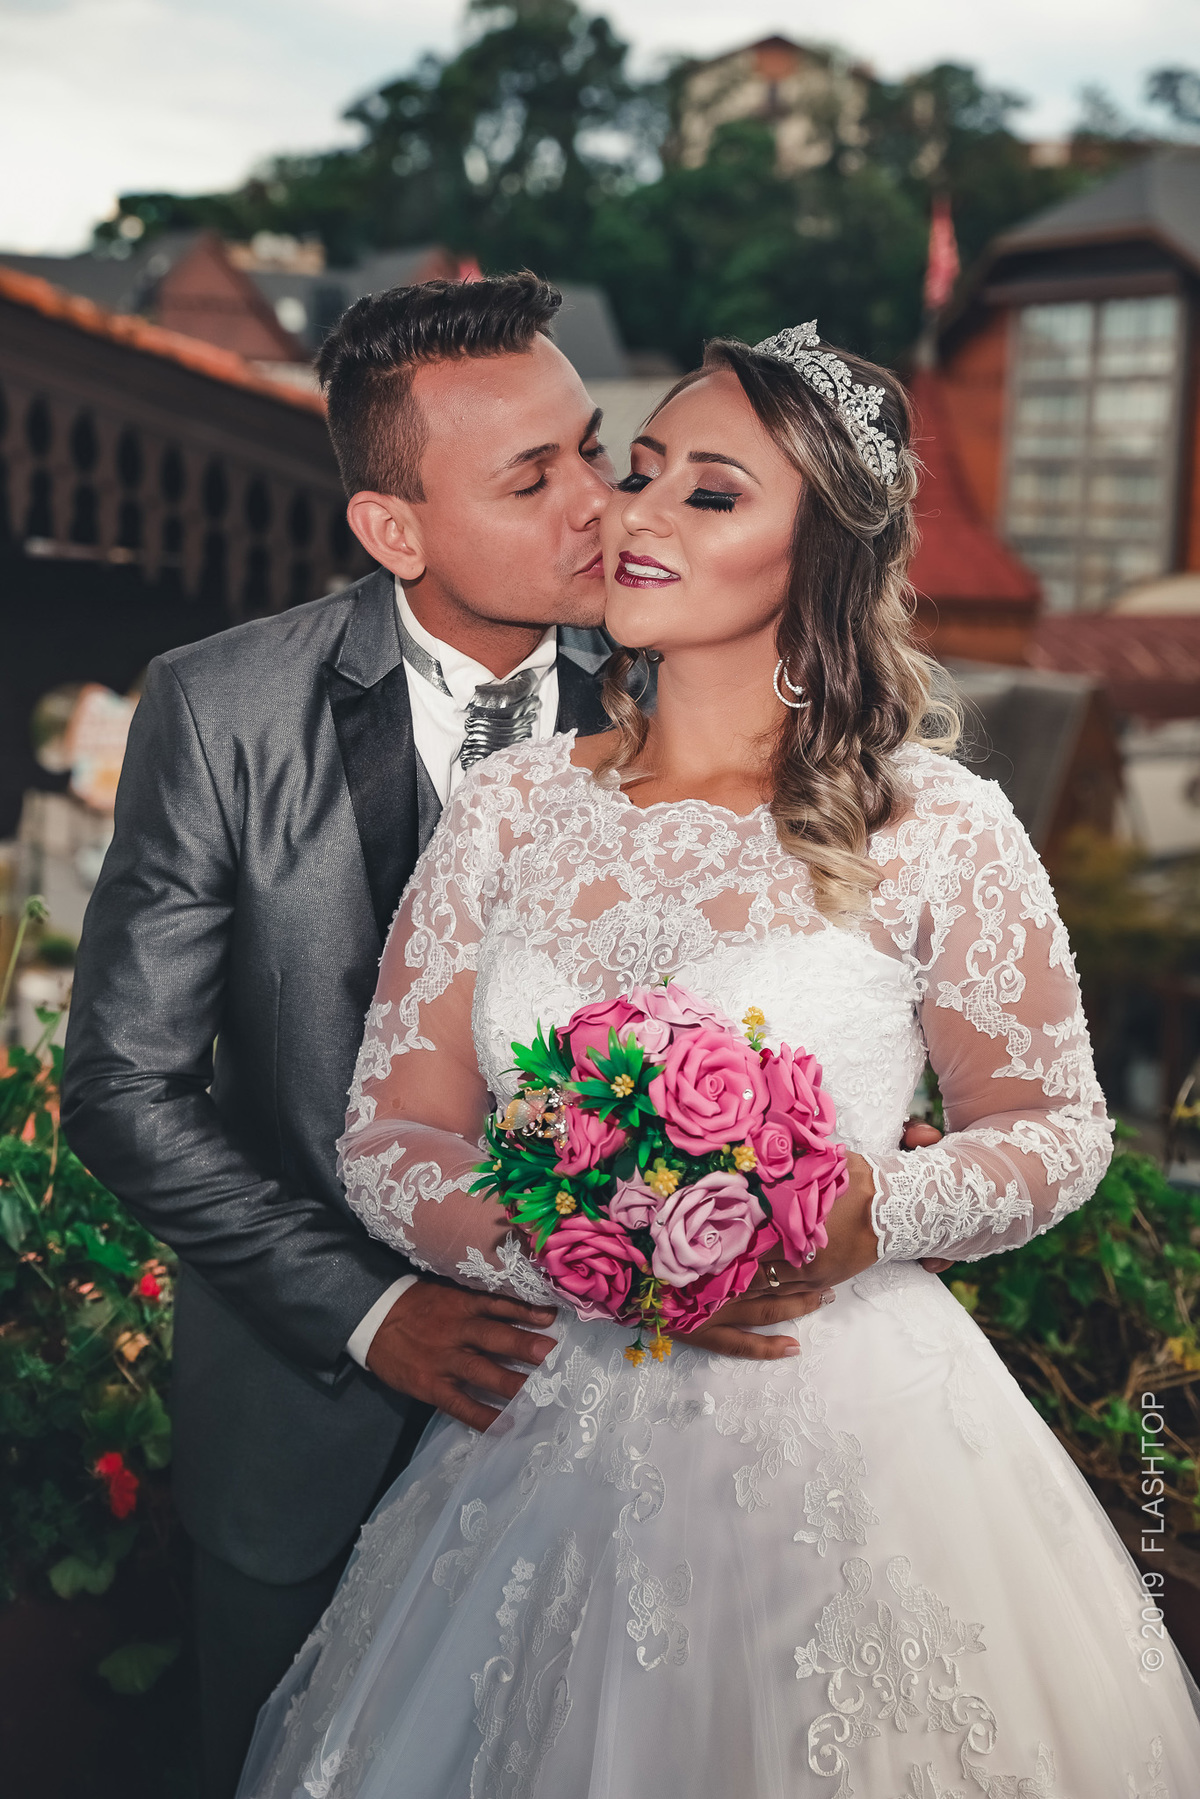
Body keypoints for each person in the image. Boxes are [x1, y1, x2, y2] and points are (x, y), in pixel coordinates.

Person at [237, 323, 1200, 1798]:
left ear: (818, 556)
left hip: (852, 1435)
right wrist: (579, 1241)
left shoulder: (936, 827)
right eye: (638, 472)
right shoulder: (506, 813)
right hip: (549, 1437)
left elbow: (1053, 1126)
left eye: (710, 492)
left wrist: (871, 1211)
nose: (636, 515)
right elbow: (392, 1139)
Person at [59, 276, 851, 1799]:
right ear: (395, 531)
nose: (601, 503)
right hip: (306, 1414)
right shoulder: (222, 710)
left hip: (617, 1424)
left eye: (595, 448)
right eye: (532, 477)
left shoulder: (690, 685)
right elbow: (122, 1085)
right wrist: (369, 1313)